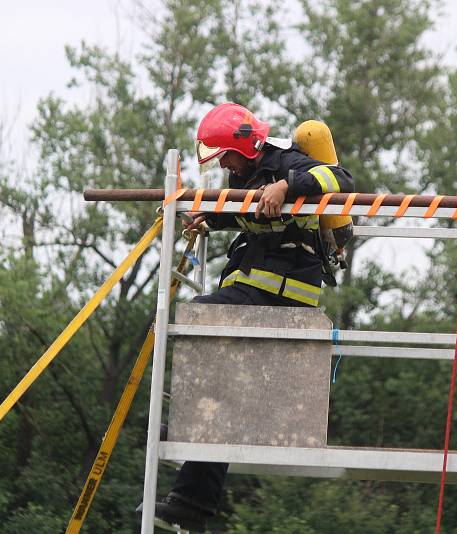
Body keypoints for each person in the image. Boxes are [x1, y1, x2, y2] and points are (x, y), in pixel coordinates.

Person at [137, 102, 354, 531]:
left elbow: (340, 179)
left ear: (245, 145)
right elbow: (243, 211)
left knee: (194, 322)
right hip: (256, 295)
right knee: (220, 405)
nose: (224, 166)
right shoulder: (247, 177)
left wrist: (287, 187)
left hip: (278, 298)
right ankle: (191, 503)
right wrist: (207, 216)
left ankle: (184, 417)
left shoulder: (285, 161)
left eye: (226, 156)